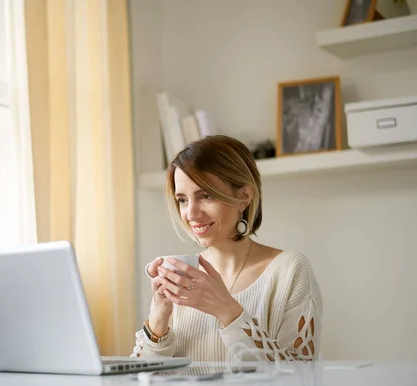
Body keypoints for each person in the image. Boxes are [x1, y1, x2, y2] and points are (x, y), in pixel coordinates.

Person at [131, 135, 323, 362]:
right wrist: (158, 318)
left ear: (244, 196)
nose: (191, 214)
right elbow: (142, 383)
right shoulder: (181, 277)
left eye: (206, 195)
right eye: (182, 200)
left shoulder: (289, 270)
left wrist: (227, 311)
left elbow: (301, 376)